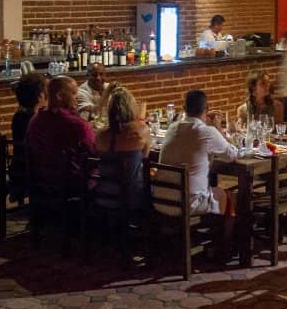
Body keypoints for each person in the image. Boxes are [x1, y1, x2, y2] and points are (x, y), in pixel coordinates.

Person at [158, 90, 239, 262]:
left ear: (184, 108)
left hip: (160, 200)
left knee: (209, 188)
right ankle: (223, 251)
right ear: (207, 108)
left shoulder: (172, 128)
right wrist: (217, 128)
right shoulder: (207, 132)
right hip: (188, 203)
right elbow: (233, 155)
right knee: (230, 196)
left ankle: (201, 240)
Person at [93, 85, 151, 210]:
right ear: (132, 107)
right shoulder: (142, 131)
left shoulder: (100, 135)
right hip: (131, 198)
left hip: (103, 195)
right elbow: (145, 159)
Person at [0, 72, 47, 201]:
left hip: (18, 170)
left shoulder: (18, 116)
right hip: (34, 174)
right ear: (40, 96)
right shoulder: (38, 121)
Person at [26, 75, 97, 164]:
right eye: (74, 93)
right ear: (59, 96)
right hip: (72, 176)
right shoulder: (77, 124)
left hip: (39, 176)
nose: (77, 97)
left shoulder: (34, 120)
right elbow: (93, 149)